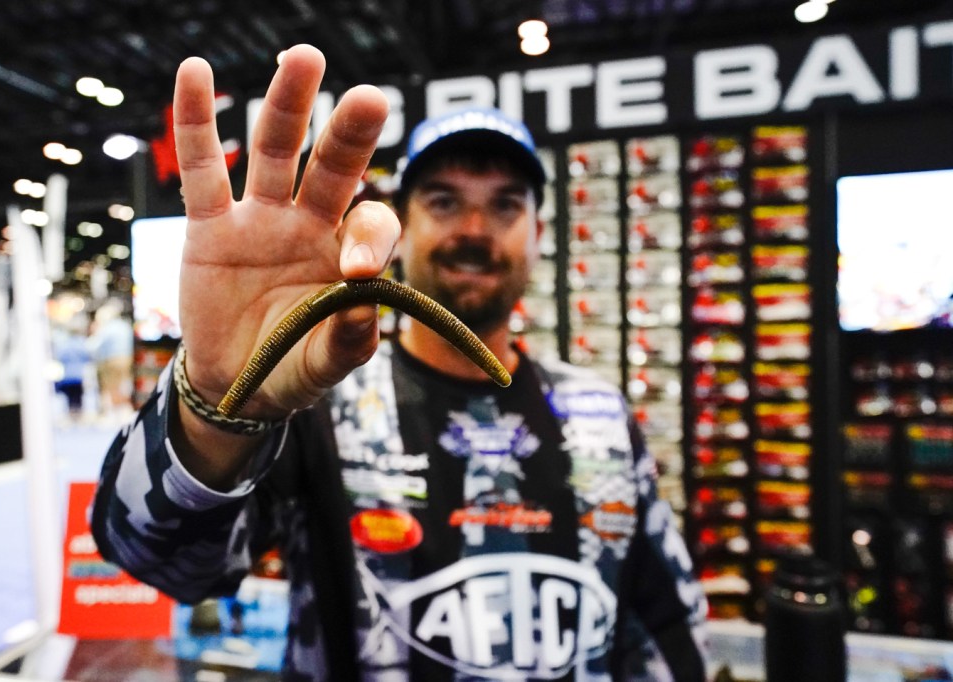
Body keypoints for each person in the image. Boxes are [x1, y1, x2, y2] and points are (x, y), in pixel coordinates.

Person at [91, 44, 708, 681]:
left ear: (539, 234)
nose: (475, 229)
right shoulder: (321, 404)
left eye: (505, 204)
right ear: (400, 227)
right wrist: (216, 402)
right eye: (443, 201)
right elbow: (160, 563)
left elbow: (666, 628)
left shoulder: (601, 416)